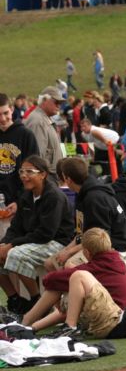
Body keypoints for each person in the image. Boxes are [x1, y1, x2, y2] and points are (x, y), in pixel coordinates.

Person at [25, 227, 126, 338]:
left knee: (74, 278)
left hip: (110, 320)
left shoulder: (96, 267)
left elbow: (51, 279)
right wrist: (34, 328)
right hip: (120, 318)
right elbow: (65, 312)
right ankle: (27, 326)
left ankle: (30, 322)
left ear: (86, 252)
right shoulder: (115, 262)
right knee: (72, 298)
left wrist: (69, 269)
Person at [0, 156, 73, 315]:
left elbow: (45, 234)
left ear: (43, 174)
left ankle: (37, 302)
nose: (24, 176)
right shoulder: (26, 196)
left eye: (29, 172)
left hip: (58, 242)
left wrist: (11, 245)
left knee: (16, 254)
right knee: (2, 250)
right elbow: (16, 228)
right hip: (36, 240)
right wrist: (5, 243)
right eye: (22, 171)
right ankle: (15, 301)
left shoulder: (54, 196)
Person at [48, 157, 126, 270]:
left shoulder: (94, 198)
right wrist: (66, 250)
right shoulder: (83, 193)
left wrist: (69, 253)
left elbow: (98, 238)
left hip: (112, 246)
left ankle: (83, 287)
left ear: (67, 179)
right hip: (93, 242)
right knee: (51, 263)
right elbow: (81, 233)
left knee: (69, 265)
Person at [0, 93, 38, 234]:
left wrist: (20, 201)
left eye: (5, 113)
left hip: (19, 205)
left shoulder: (26, 135)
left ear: (12, 109)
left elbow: (35, 173)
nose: (3, 119)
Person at [23, 86, 65, 174]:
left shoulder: (43, 119)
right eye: (56, 102)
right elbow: (37, 159)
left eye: (60, 103)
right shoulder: (38, 122)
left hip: (49, 177)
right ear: (44, 100)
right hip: (46, 178)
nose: (59, 105)